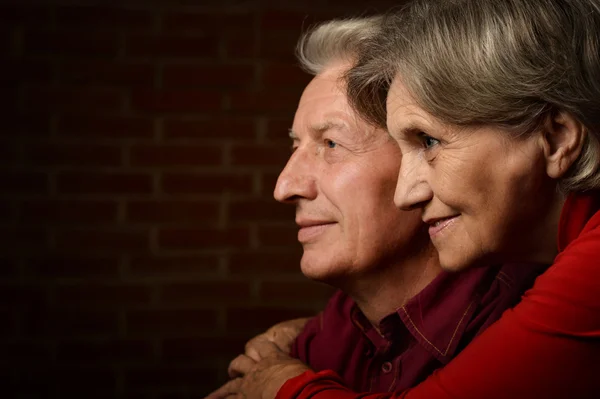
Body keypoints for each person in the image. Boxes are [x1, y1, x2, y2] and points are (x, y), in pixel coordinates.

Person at [225, 0, 600, 398]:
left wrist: (280, 383)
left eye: (429, 141)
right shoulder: (332, 330)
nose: (406, 194)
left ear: (557, 138)